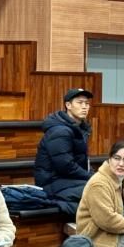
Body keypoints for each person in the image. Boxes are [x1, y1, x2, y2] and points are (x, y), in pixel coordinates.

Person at [34, 88, 94, 216]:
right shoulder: (60, 131)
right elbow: (66, 166)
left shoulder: (79, 129)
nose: (84, 106)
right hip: (52, 183)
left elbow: (84, 162)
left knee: (104, 187)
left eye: (87, 103)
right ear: (68, 105)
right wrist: (93, 178)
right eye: (80, 102)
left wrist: (97, 176)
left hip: (68, 180)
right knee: (98, 189)